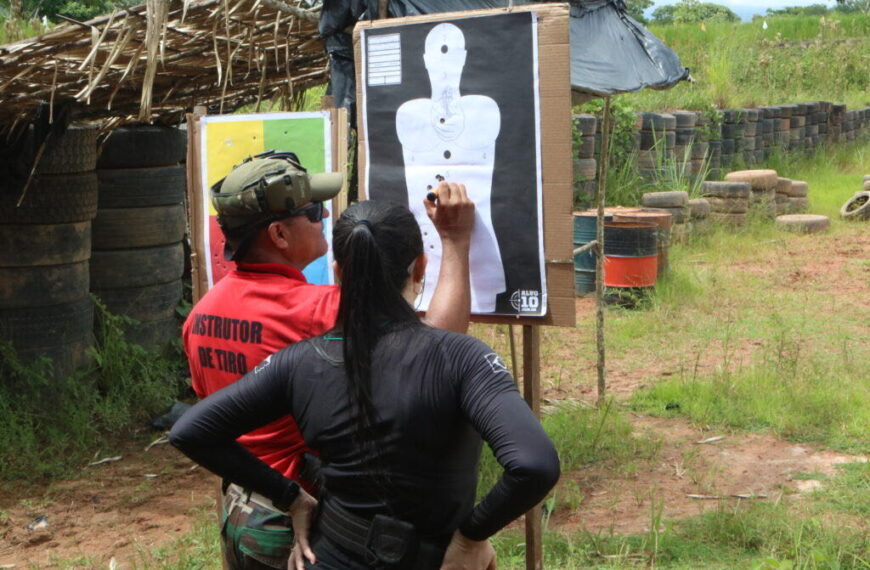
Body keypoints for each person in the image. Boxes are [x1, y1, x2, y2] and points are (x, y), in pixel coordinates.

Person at [171, 200, 560, 570]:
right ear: (420, 267)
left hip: (333, 552)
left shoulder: (299, 362)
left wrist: (290, 496)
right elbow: (534, 465)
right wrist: (471, 538)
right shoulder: (462, 357)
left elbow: (192, 431)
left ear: (339, 272)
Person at [183, 151, 475, 569]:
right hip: (302, 521)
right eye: (313, 211)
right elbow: (435, 349)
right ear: (279, 235)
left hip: (242, 511)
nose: (324, 218)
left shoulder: (201, 314)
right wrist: (455, 242)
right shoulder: (316, 310)